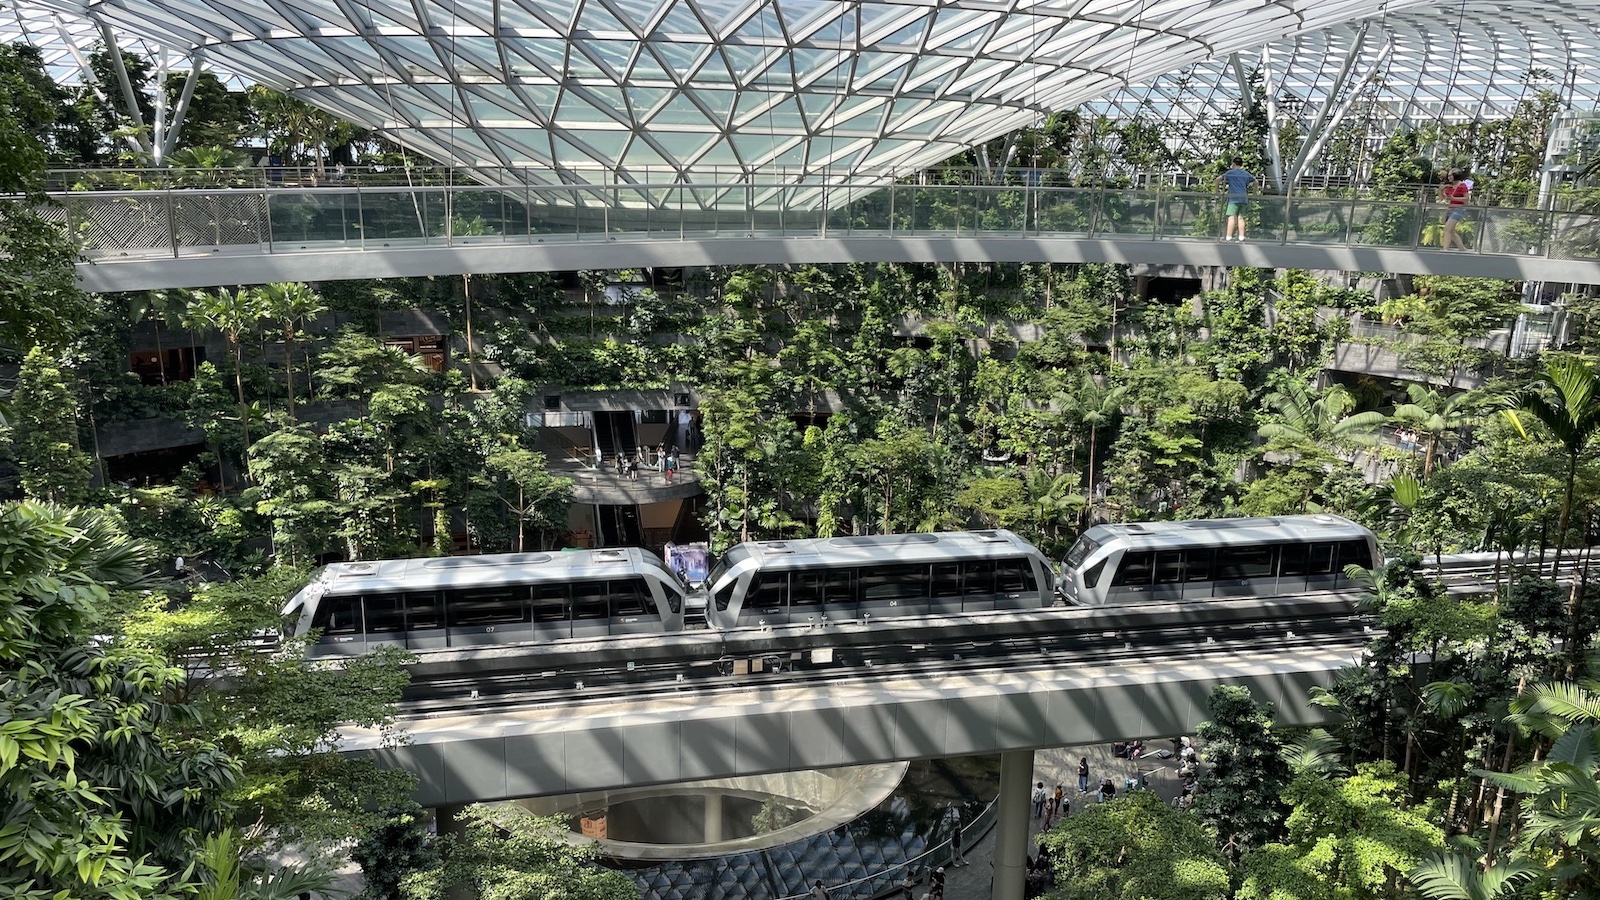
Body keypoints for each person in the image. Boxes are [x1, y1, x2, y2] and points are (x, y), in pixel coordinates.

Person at [1217, 156, 1253, 242]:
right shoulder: (1246, 174)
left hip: (1233, 198)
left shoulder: (1231, 173)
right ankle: (1241, 237)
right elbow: (1256, 182)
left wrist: (1217, 191)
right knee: (1241, 217)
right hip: (1244, 198)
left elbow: (1217, 179)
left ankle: (1228, 237)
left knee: (1231, 217)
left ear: (1233, 164)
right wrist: (1254, 193)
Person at [1440, 168, 1473, 250]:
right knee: (1451, 231)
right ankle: (1462, 248)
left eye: (1450, 175)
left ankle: (1445, 249)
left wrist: (1454, 198)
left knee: (1447, 229)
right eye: (1448, 176)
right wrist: (1440, 190)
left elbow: (1466, 198)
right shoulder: (1450, 187)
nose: (1449, 177)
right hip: (1450, 209)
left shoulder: (1462, 185)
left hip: (1458, 209)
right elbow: (1444, 198)